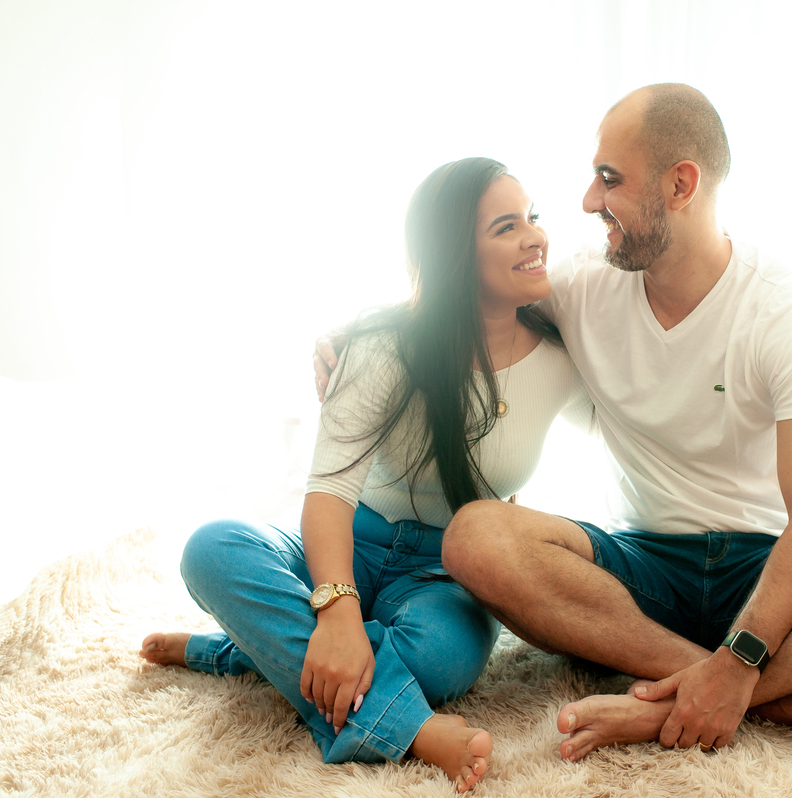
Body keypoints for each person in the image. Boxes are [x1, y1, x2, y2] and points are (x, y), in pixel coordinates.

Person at [315, 84, 792, 761]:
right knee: (475, 537)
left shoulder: (787, 309)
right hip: (641, 573)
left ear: (680, 185)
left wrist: (741, 658)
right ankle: (756, 692)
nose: (586, 202)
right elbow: (459, 299)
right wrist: (361, 334)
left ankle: (716, 688)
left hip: (770, 568)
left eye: (609, 179)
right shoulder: (578, 288)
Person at [141, 157, 590, 793]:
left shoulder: (563, 357)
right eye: (506, 226)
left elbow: (638, 414)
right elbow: (327, 492)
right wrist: (338, 613)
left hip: (449, 571)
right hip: (349, 539)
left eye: (534, 218)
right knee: (211, 548)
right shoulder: (383, 346)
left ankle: (241, 652)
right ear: (453, 253)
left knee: (440, 660)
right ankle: (415, 729)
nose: (537, 236)